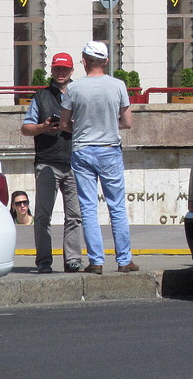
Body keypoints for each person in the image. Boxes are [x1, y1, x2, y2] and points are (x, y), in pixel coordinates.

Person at [59, 41, 138, 275]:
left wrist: (83, 129)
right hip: (109, 149)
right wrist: (107, 127)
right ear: (105, 61)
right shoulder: (118, 85)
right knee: (117, 206)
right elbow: (128, 122)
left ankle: (96, 261)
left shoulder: (74, 89)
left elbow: (64, 124)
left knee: (88, 207)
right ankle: (124, 260)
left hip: (82, 150)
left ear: (84, 60)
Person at [20, 52, 83, 274]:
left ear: (72, 71)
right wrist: (44, 127)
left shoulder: (80, 93)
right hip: (47, 162)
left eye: (65, 69)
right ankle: (44, 261)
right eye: (57, 69)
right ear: (52, 70)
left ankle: (73, 260)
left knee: (75, 216)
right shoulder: (41, 96)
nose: (61, 73)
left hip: (75, 163)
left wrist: (73, 125)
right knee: (43, 216)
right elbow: (25, 128)